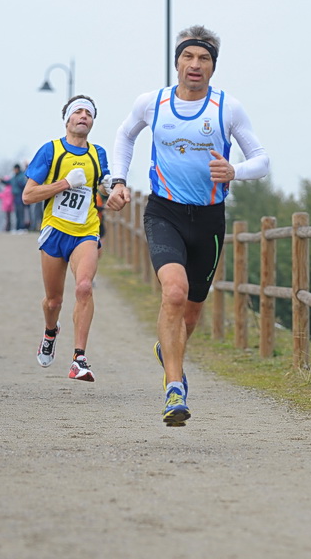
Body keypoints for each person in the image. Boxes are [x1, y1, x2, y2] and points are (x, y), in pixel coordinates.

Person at [106, 25, 270, 426]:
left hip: (209, 219)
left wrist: (235, 170)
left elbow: (262, 160)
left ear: (213, 66)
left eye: (204, 59)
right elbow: (124, 136)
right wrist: (118, 181)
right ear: (177, 61)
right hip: (165, 212)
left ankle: (168, 350)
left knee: (191, 313)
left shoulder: (227, 108)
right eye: (188, 57)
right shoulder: (153, 103)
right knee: (174, 293)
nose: (195, 65)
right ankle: (174, 386)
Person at [23, 94, 109, 382]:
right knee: (54, 301)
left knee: (84, 287)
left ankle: (78, 359)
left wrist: (113, 190)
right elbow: (28, 196)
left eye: (89, 113)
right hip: (55, 231)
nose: (84, 116)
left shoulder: (98, 154)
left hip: (86, 231)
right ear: (67, 119)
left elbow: (104, 187)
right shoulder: (51, 151)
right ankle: (50, 332)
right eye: (78, 112)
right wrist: (64, 183)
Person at [9, 163, 31, 232]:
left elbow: (24, 184)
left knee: (21, 213)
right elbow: (9, 182)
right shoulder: (14, 177)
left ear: (17, 169)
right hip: (15, 197)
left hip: (20, 196)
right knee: (17, 213)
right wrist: (1, 180)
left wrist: (20, 183)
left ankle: (22, 227)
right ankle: (17, 227)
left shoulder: (21, 176)